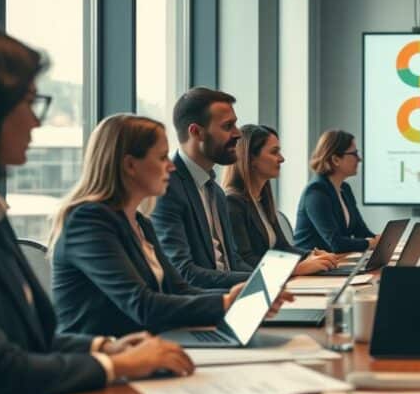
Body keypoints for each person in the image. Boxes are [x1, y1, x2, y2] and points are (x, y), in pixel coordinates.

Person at [0, 21, 193, 394]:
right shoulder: (79, 218)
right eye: (28, 102)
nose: (37, 121)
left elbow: (32, 340)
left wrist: (103, 348)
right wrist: (118, 365)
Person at [50, 115, 290, 337]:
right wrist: (226, 303)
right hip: (103, 362)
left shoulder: (141, 223)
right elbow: (142, 305)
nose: (172, 166)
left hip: (148, 347)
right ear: (130, 165)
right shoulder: (88, 221)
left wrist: (237, 297)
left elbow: (178, 289)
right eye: (162, 157)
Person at [150, 88, 254, 289]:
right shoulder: (167, 188)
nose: (238, 133)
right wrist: (264, 280)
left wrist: (275, 281)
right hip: (204, 308)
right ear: (196, 132)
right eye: (228, 126)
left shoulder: (215, 191)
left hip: (231, 299)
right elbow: (184, 273)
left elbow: (232, 262)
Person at [222, 124, 337, 273]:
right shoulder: (232, 203)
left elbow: (282, 248)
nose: (281, 159)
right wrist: (293, 269)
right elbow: (245, 260)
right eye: (274, 152)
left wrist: (311, 255)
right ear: (251, 159)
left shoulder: (262, 200)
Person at [294, 130, 379, 253]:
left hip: (334, 262)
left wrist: (381, 240)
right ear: (335, 160)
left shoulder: (345, 189)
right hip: (311, 266)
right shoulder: (316, 192)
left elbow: (361, 231)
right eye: (354, 154)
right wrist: (370, 243)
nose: (359, 159)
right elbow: (336, 243)